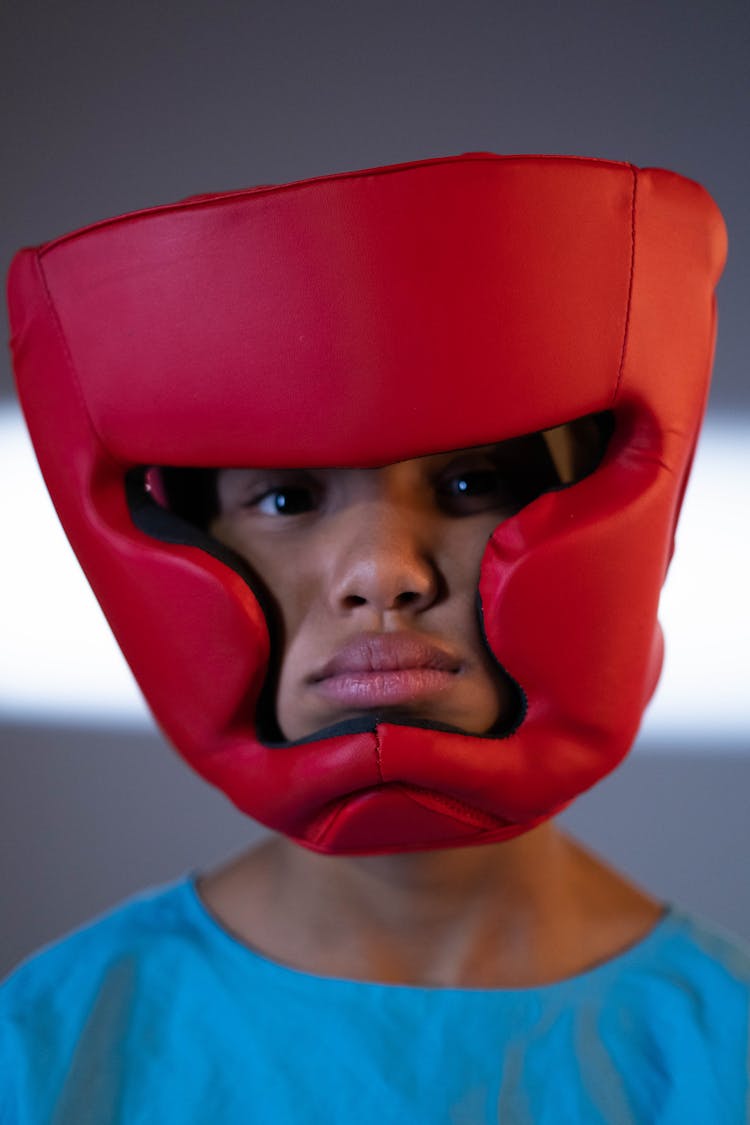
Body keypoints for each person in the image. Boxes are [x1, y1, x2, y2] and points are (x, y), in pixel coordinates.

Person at [2, 152, 748, 1123]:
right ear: (187, 542)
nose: (384, 574)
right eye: (285, 497)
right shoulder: (43, 1052)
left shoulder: (719, 1057)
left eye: (472, 484)